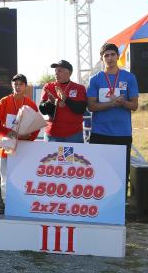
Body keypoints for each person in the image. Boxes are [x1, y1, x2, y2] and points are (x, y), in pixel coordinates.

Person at [87, 43, 138, 196]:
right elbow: (91, 106)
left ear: (118, 56)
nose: (109, 58)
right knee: (98, 171)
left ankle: (120, 206)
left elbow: (134, 106)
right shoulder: (95, 79)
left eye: (112, 54)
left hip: (122, 133)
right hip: (99, 133)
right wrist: (111, 103)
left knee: (122, 172)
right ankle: (99, 205)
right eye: (106, 55)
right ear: (102, 59)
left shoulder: (129, 77)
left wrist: (122, 102)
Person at [0, 74, 39, 214]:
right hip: (7, 145)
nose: (18, 87)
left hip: (23, 146)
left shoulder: (30, 104)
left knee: (23, 176)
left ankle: (21, 204)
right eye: (15, 84)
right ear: (12, 86)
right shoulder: (4, 101)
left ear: (25, 86)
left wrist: (29, 138)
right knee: (5, 177)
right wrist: (8, 133)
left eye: (20, 84)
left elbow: (36, 126)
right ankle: (5, 203)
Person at [39, 60, 87, 143]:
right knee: (51, 156)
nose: (56, 73)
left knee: (74, 157)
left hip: (74, 135)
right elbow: (42, 110)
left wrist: (66, 99)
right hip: (52, 134)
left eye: (60, 70)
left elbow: (81, 110)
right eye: (55, 70)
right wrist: (50, 103)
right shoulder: (48, 87)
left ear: (69, 72)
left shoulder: (79, 88)